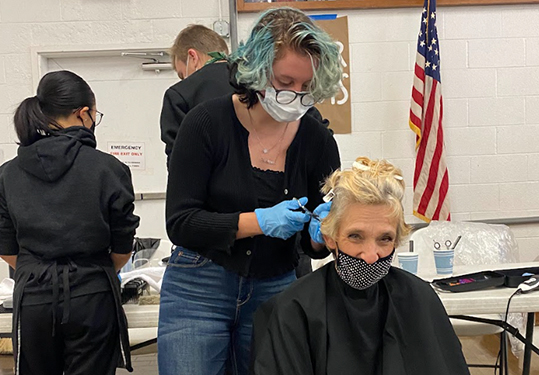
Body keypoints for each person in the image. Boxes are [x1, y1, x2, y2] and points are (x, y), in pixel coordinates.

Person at [158, 7, 343, 375]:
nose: (297, 96)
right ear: (256, 70)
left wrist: (323, 234)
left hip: (275, 286)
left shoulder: (316, 140)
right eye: (285, 82)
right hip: (199, 286)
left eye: (307, 86)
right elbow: (181, 223)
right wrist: (258, 222)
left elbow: (313, 245)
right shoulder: (206, 124)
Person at [251, 157, 471, 375]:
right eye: (356, 236)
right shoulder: (294, 309)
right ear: (330, 237)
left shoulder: (419, 299)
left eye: (384, 239)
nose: (370, 256)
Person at [0, 70, 140, 375]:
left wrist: (37, 267)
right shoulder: (108, 168)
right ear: (84, 114)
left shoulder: (8, 173)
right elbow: (122, 243)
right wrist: (94, 269)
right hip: (92, 293)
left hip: (34, 298)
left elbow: (6, 247)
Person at [160, 24, 231, 166]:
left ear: (193, 57)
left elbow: (179, 168)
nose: (184, 80)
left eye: (182, 75)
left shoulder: (179, 96)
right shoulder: (256, 84)